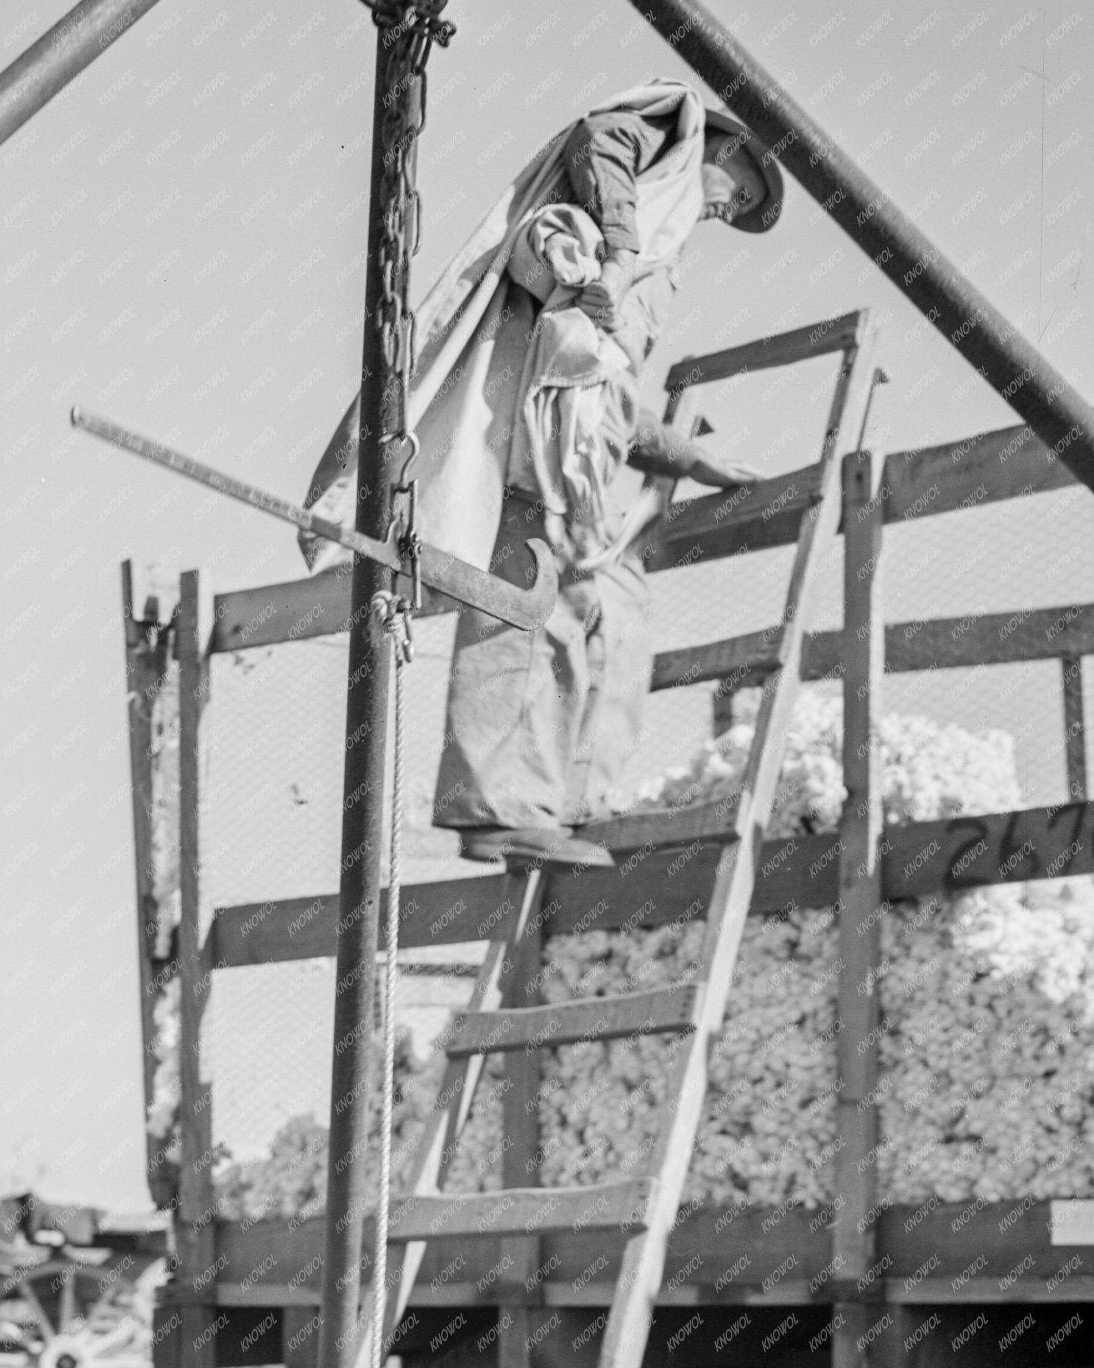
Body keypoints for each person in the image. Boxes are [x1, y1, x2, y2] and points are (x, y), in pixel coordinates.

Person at [302, 82, 786, 869]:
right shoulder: (608, 214)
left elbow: (608, 384)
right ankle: (500, 808)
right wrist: (620, 257)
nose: (726, 212)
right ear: (719, 149)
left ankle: (565, 804)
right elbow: (603, 136)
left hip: (577, 451)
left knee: (610, 609)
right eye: (739, 194)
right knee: (528, 606)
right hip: (537, 445)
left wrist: (677, 451)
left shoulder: (648, 248)